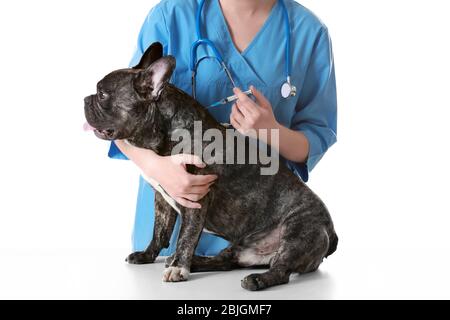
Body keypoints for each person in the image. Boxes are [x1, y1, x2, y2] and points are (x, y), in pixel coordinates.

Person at [109, 0, 337, 256]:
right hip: (170, 239)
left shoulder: (309, 32)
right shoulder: (170, 16)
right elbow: (117, 114)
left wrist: (271, 130)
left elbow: (317, 136)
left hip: (261, 236)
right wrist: (156, 168)